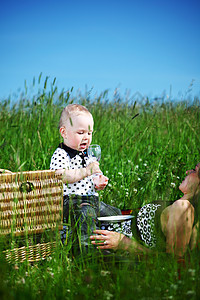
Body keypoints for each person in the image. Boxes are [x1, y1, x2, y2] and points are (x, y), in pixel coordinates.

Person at [50, 104, 121, 251]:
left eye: (89, 133)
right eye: (81, 132)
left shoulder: (88, 154)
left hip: (91, 200)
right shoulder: (61, 154)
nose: (86, 138)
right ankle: (87, 250)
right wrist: (86, 171)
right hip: (71, 201)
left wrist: (98, 182)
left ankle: (110, 244)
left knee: (115, 214)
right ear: (64, 132)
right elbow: (60, 176)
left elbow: (93, 175)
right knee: (86, 214)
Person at [90, 163, 200, 257]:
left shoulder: (183, 208)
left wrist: (124, 244)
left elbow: (174, 262)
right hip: (111, 224)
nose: (187, 172)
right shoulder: (181, 206)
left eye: (194, 170)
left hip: (105, 241)